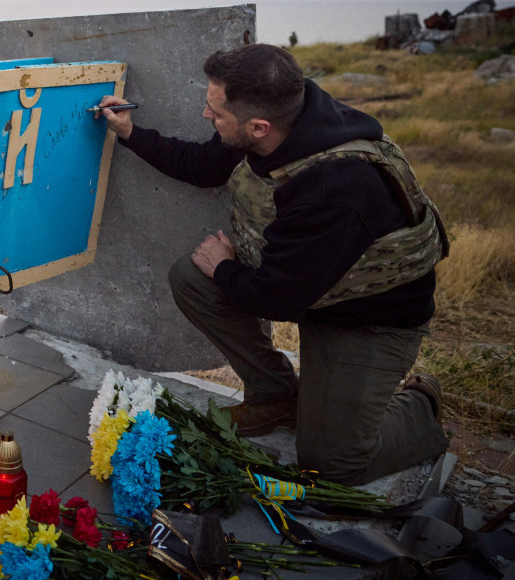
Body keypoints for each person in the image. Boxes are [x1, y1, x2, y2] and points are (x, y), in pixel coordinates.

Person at [98, 43, 450, 485]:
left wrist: (225, 266)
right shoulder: (282, 120)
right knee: (192, 277)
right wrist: (130, 132)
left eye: (215, 112)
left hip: (369, 320)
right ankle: (277, 395)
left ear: (259, 127)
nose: (208, 117)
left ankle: (421, 403)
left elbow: (277, 299)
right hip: (309, 288)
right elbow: (203, 165)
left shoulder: (336, 186)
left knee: (334, 463)